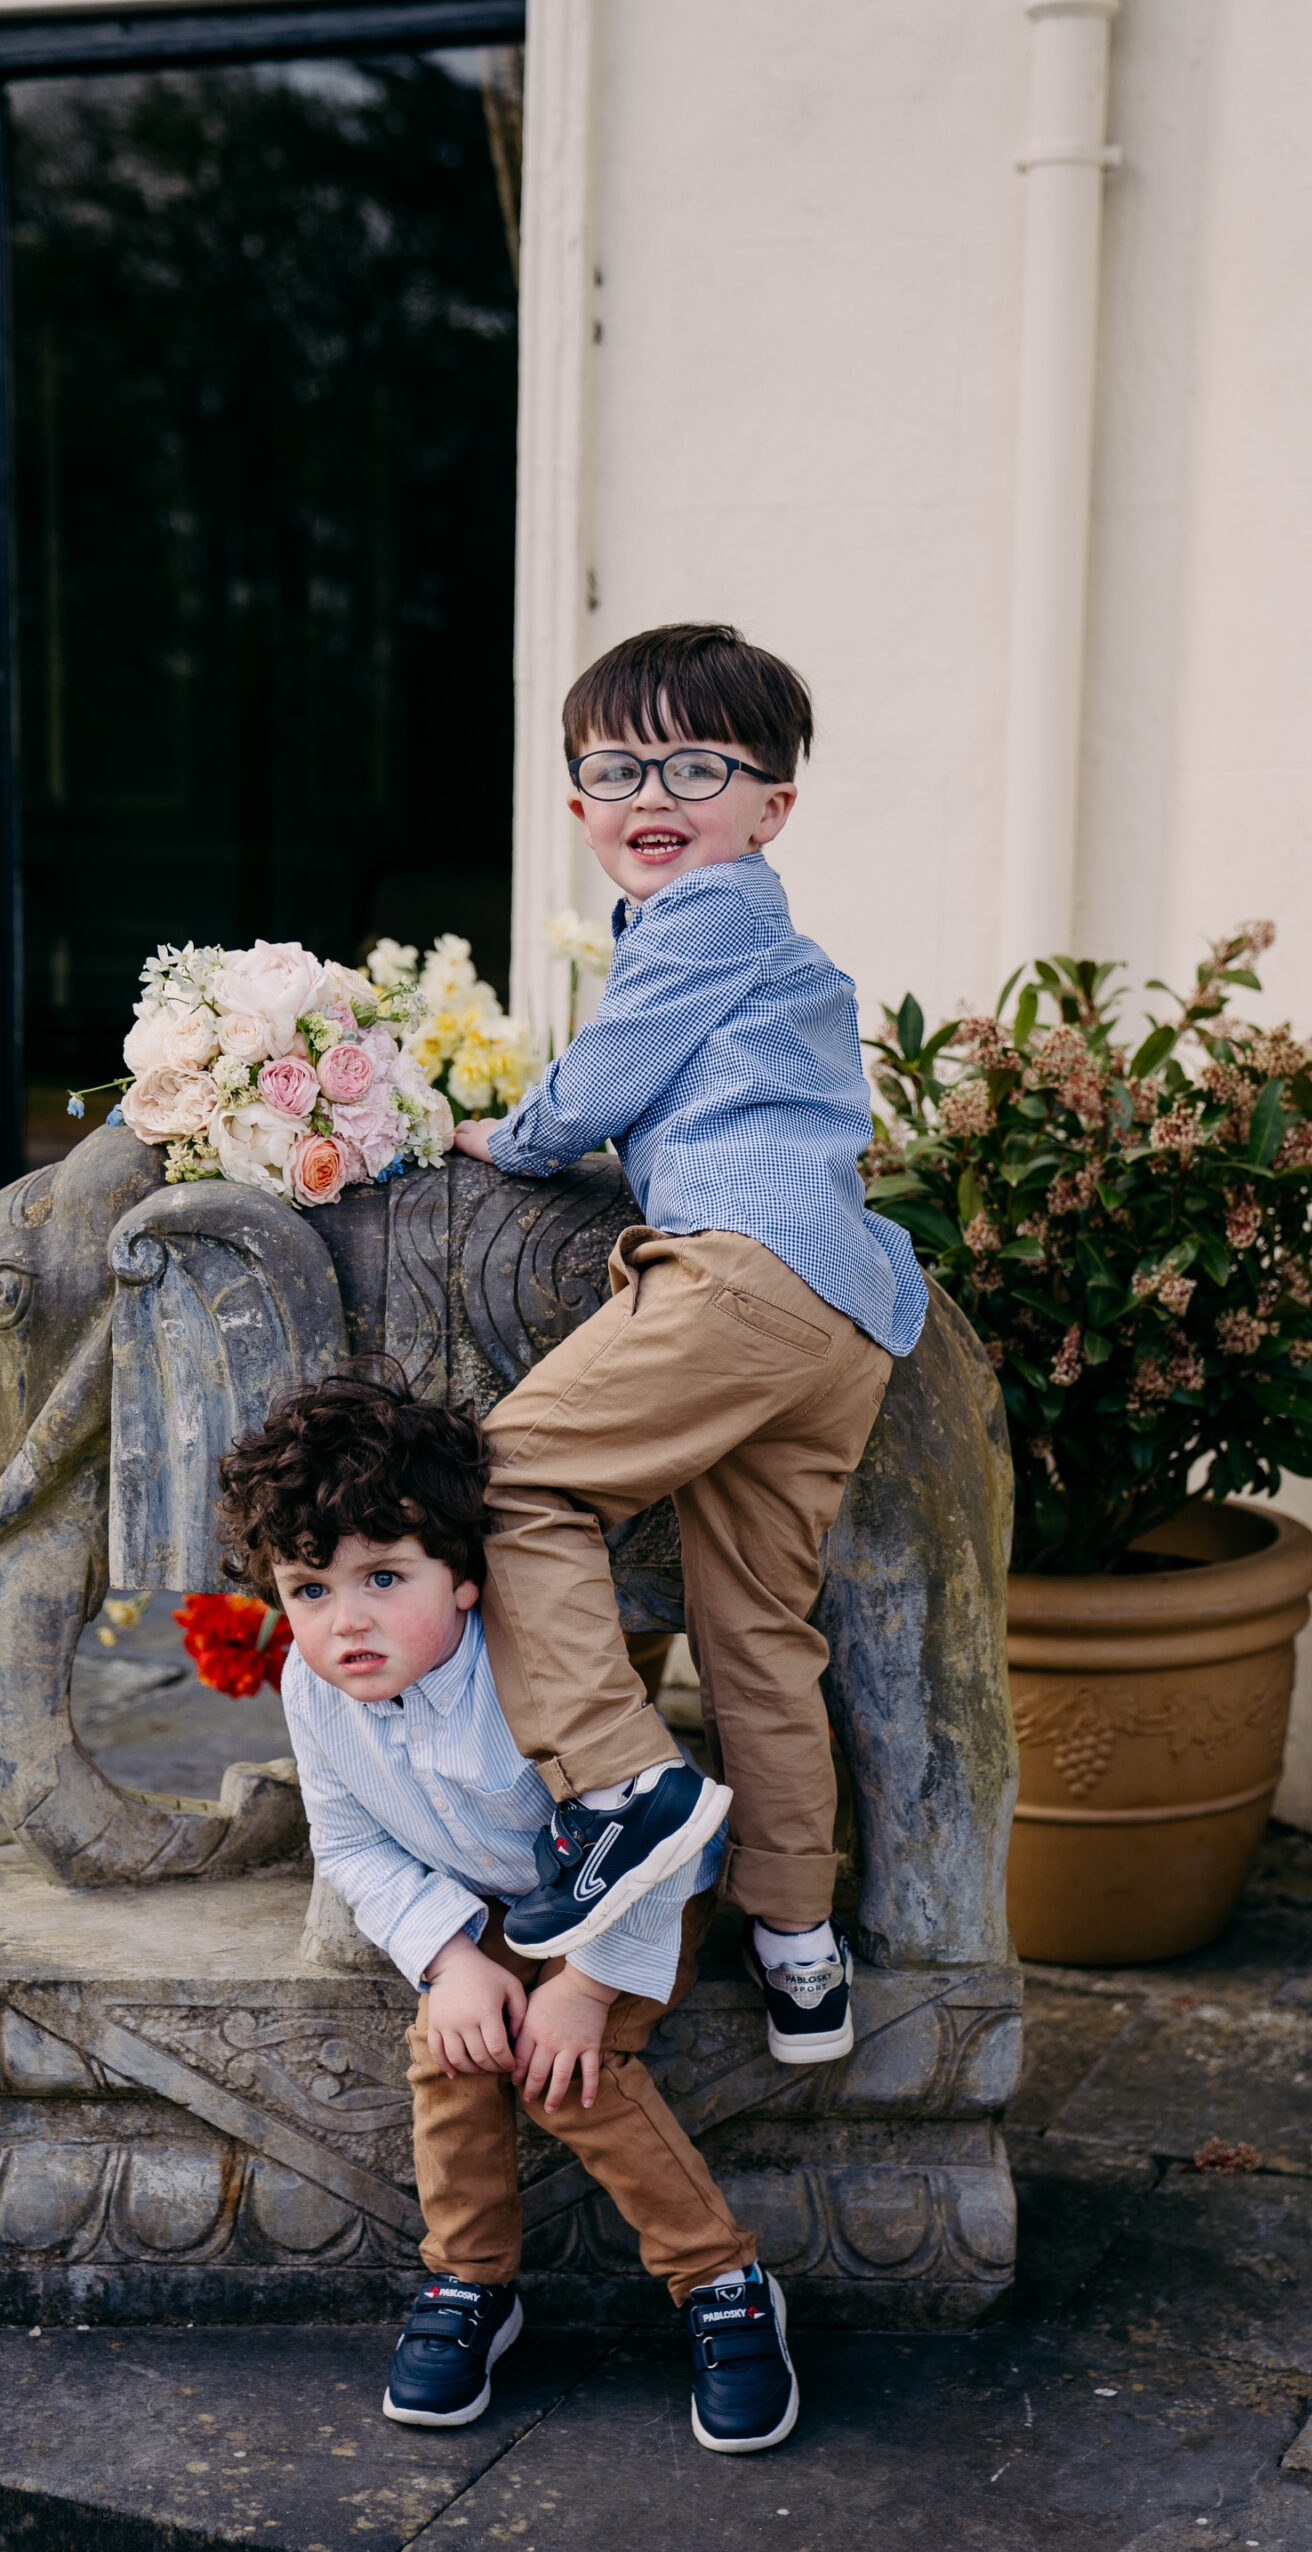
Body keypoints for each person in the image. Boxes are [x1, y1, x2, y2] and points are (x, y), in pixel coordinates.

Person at [450, 622, 927, 2064]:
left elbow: (605, 1078)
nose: (653, 793)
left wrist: (505, 1134)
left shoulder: (715, 912)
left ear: (769, 804)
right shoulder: (745, 931)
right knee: (754, 1632)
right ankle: (797, 1943)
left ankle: (619, 1789)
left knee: (508, 1473)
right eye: (616, 765)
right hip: (841, 1316)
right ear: (578, 800)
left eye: (698, 765)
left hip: (739, 1273)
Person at [216, 1363, 799, 2452]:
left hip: (640, 1887)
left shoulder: (534, 1666)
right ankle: (469, 2284)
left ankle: (724, 2281)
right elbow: (348, 1840)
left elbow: (659, 1834)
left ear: (465, 1576)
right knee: (453, 2047)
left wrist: (583, 1987)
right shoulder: (315, 1690)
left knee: (565, 2074)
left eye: (384, 1577)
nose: (346, 1622)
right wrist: (448, 1960)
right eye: (311, 1589)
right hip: (489, 1899)